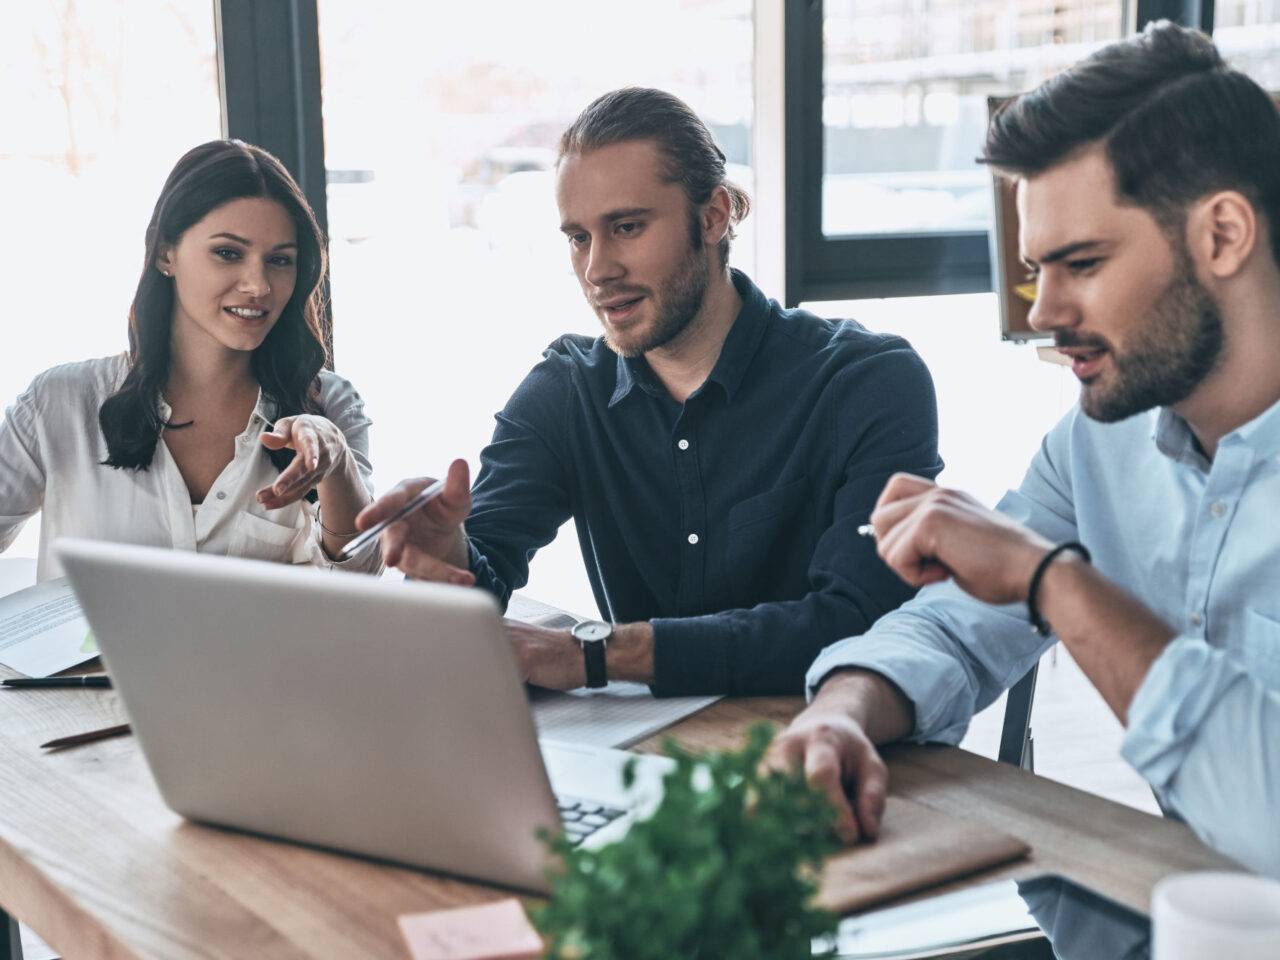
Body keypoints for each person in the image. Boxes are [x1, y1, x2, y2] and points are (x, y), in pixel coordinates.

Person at [768, 21, 1280, 877]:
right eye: (1038, 271)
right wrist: (840, 712)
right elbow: (961, 626)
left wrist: (1053, 581)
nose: (1042, 312)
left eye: (1082, 263)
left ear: (1222, 235)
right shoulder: (1099, 441)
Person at [358, 88, 941, 697]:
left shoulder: (867, 382)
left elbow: (859, 620)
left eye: (627, 227)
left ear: (714, 216)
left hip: (834, 748)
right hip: (650, 760)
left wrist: (596, 654)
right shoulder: (565, 393)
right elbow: (482, 578)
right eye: (579, 237)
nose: (597, 269)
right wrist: (446, 550)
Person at [0, 140, 382, 581]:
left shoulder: (329, 404)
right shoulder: (60, 402)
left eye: (279, 260)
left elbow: (361, 579)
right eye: (228, 253)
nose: (258, 285)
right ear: (167, 253)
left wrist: (336, 466)